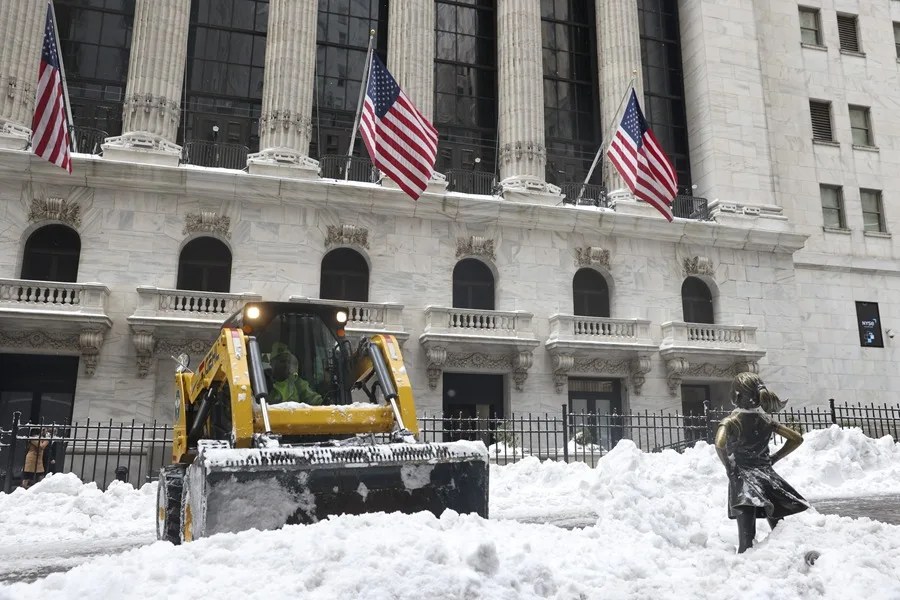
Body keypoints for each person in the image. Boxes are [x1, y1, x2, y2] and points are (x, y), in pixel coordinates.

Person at [715, 372, 810, 554]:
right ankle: (790, 555)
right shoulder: (766, 420)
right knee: (780, 530)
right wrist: (773, 458)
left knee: (746, 539)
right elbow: (797, 439)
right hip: (767, 478)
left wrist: (729, 467)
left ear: (736, 396)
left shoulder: (731, 422)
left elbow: (719, 444)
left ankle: (747, 566)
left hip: (743, 479)